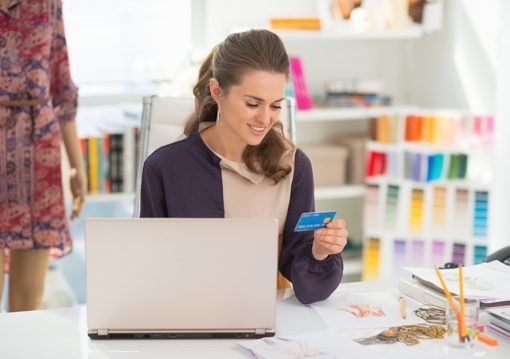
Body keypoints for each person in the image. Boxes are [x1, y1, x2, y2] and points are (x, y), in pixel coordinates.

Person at [139, 29, 348, 304]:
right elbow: (148, 272)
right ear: (217, 91)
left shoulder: (294, 166)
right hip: (185, 316)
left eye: (275, 105)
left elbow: (309, 290)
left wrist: (321, 251)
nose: (264, 118)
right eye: (252, 103)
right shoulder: (163, 168)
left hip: (266, 325)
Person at [0, 0, 86, 312]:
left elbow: (62, 88)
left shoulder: (47, 4)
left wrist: (77, 167)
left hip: (39, 155)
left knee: (27, 305)